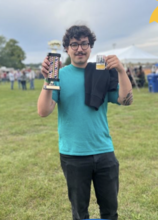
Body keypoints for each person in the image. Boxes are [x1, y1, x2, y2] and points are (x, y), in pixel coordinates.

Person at [37, 25, 133, 220]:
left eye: (84, 44)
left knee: (110, 210)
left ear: (90, 46)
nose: (79, 49)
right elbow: (43, 111)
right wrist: (49, 79)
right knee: (80, 213)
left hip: (104, 151)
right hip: (73, 154)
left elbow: (126, 100)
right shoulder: (60, 75)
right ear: (66, 48)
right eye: (74, 44)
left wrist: (121, 72)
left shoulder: (102, 72)